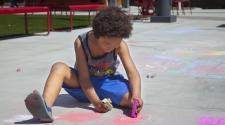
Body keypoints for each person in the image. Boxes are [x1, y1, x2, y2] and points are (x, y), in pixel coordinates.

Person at [25, 6, 143, 123]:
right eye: (107, 43)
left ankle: (131, 100)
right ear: (97, 34)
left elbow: (133, 73)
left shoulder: (120, 46)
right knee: (59, 67)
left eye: (115, 44)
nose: (110, 47)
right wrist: (96, 102)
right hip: (82, 85)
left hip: (107, 83)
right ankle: (45, 107)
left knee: (131, 100)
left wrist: (136, 97)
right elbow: (84, 79)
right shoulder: (81, 43)